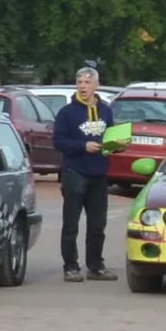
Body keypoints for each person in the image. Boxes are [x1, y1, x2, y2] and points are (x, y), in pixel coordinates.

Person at [50, 66, 117, 281]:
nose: (82, 86)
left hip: (99, 174)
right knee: (71, 224)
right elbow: (58, 141)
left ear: (97, 85)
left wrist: (115, 145)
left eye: (87, 82)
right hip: (75, 172)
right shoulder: (67, 112)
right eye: (79, 82)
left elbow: (110, 134)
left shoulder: (105, 111)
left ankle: (95, 265)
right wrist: (82, 146)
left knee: (97, 224)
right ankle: (71, 266)